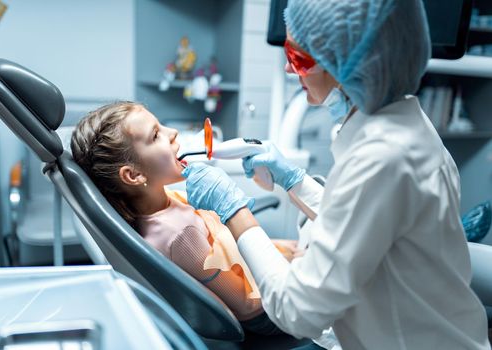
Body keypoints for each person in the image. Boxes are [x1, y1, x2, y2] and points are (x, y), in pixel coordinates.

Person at [181, 0, 491, 349]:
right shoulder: (406, 129)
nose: (287, 69)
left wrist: (234, 212)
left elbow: (298, 310)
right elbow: (366, 221)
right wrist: (293, 179)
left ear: (350, 63)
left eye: (298, 58)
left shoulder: (381, 158)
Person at [70, 101, 301, 335]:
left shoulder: (166, 201)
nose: (173, 133)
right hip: (266, 315)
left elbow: (224, 244)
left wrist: (279, 249)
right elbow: (247, 305)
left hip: (261, 281)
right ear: (134, 175)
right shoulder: (182, 236)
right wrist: (294, 270)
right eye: (156, 135)